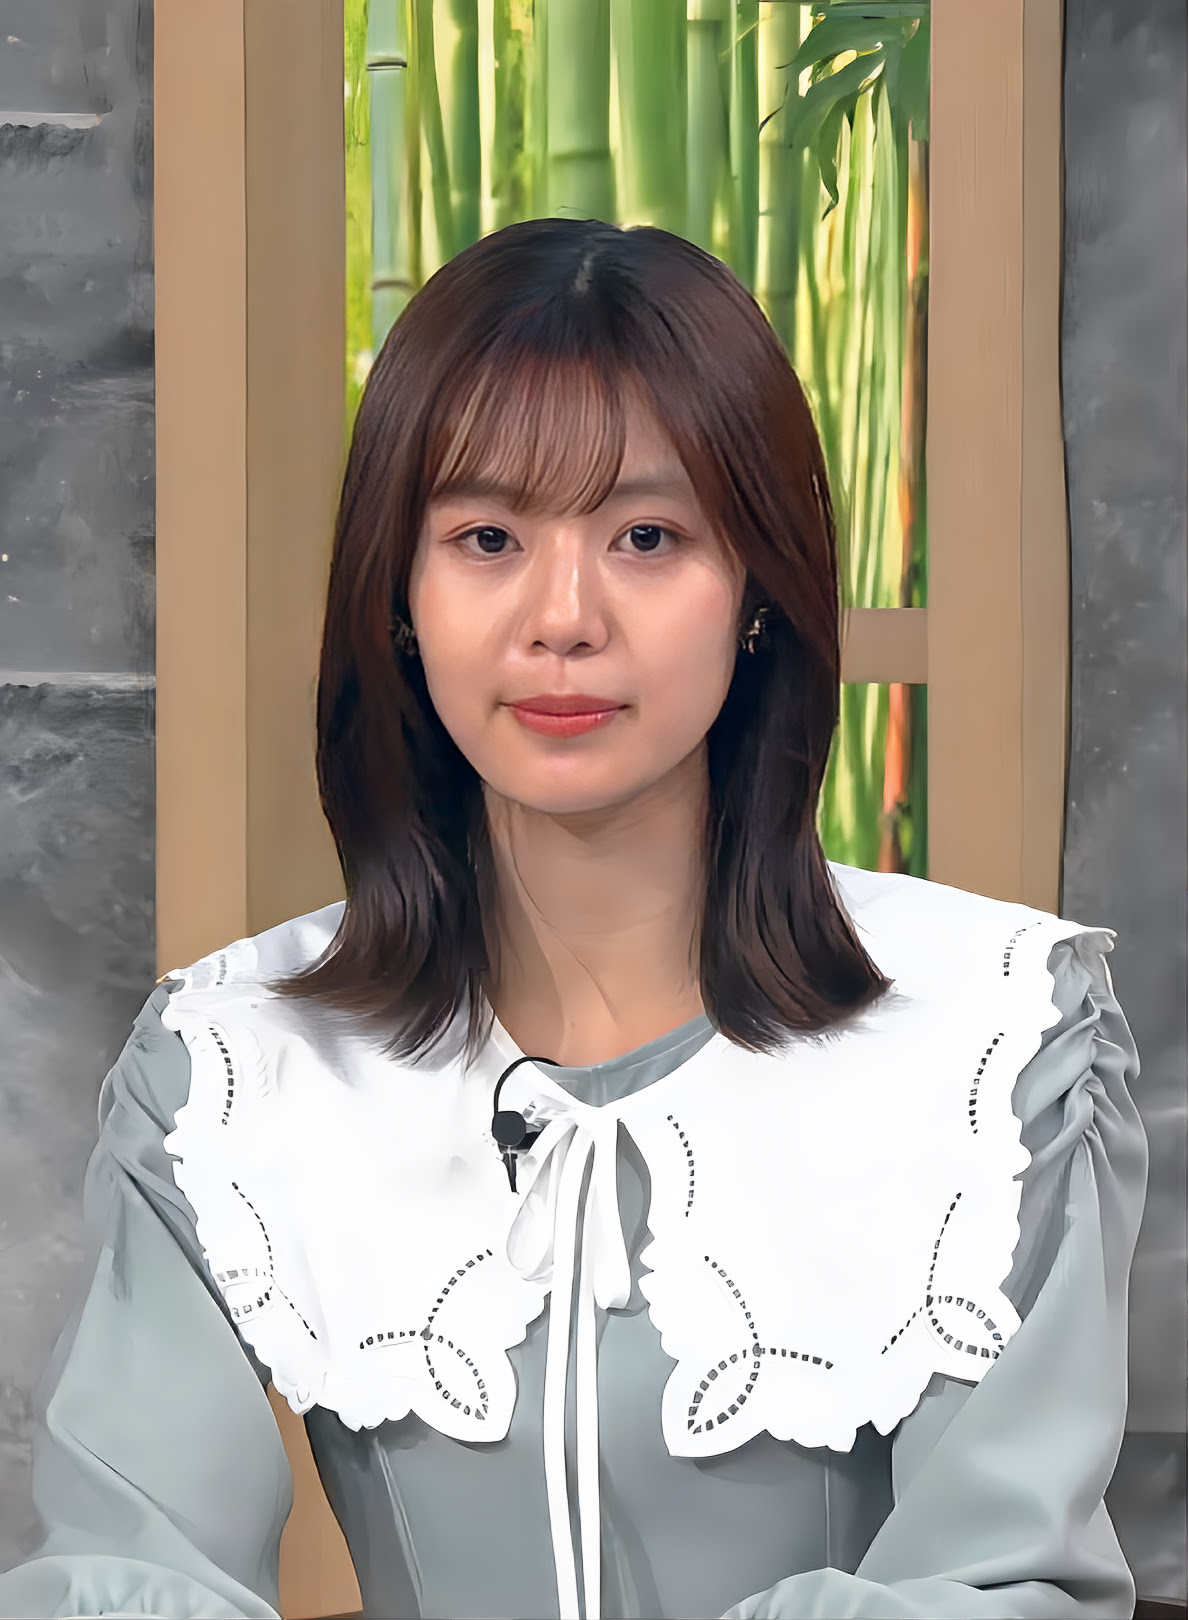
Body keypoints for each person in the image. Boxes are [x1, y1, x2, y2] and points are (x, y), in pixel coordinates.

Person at [0, 218, 1148, 1620]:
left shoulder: (998, 1039)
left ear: (757, 594)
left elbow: (998, 1587)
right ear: (400, 595)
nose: (563, 617)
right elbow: (131, 1572)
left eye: (647, 538)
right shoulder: (230, 1066)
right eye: (486, 538)